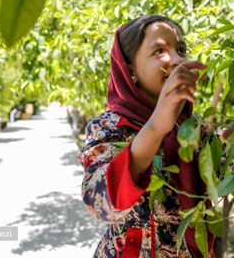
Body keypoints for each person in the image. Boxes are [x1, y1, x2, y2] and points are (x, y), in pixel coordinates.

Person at [77, 14, 215, 258]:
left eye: (181, 49)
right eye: (159, 51)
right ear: (129, 69)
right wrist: (156, 127)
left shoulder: (193, 130)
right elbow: (99, 201)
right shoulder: (110, 127)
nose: (175, 59)